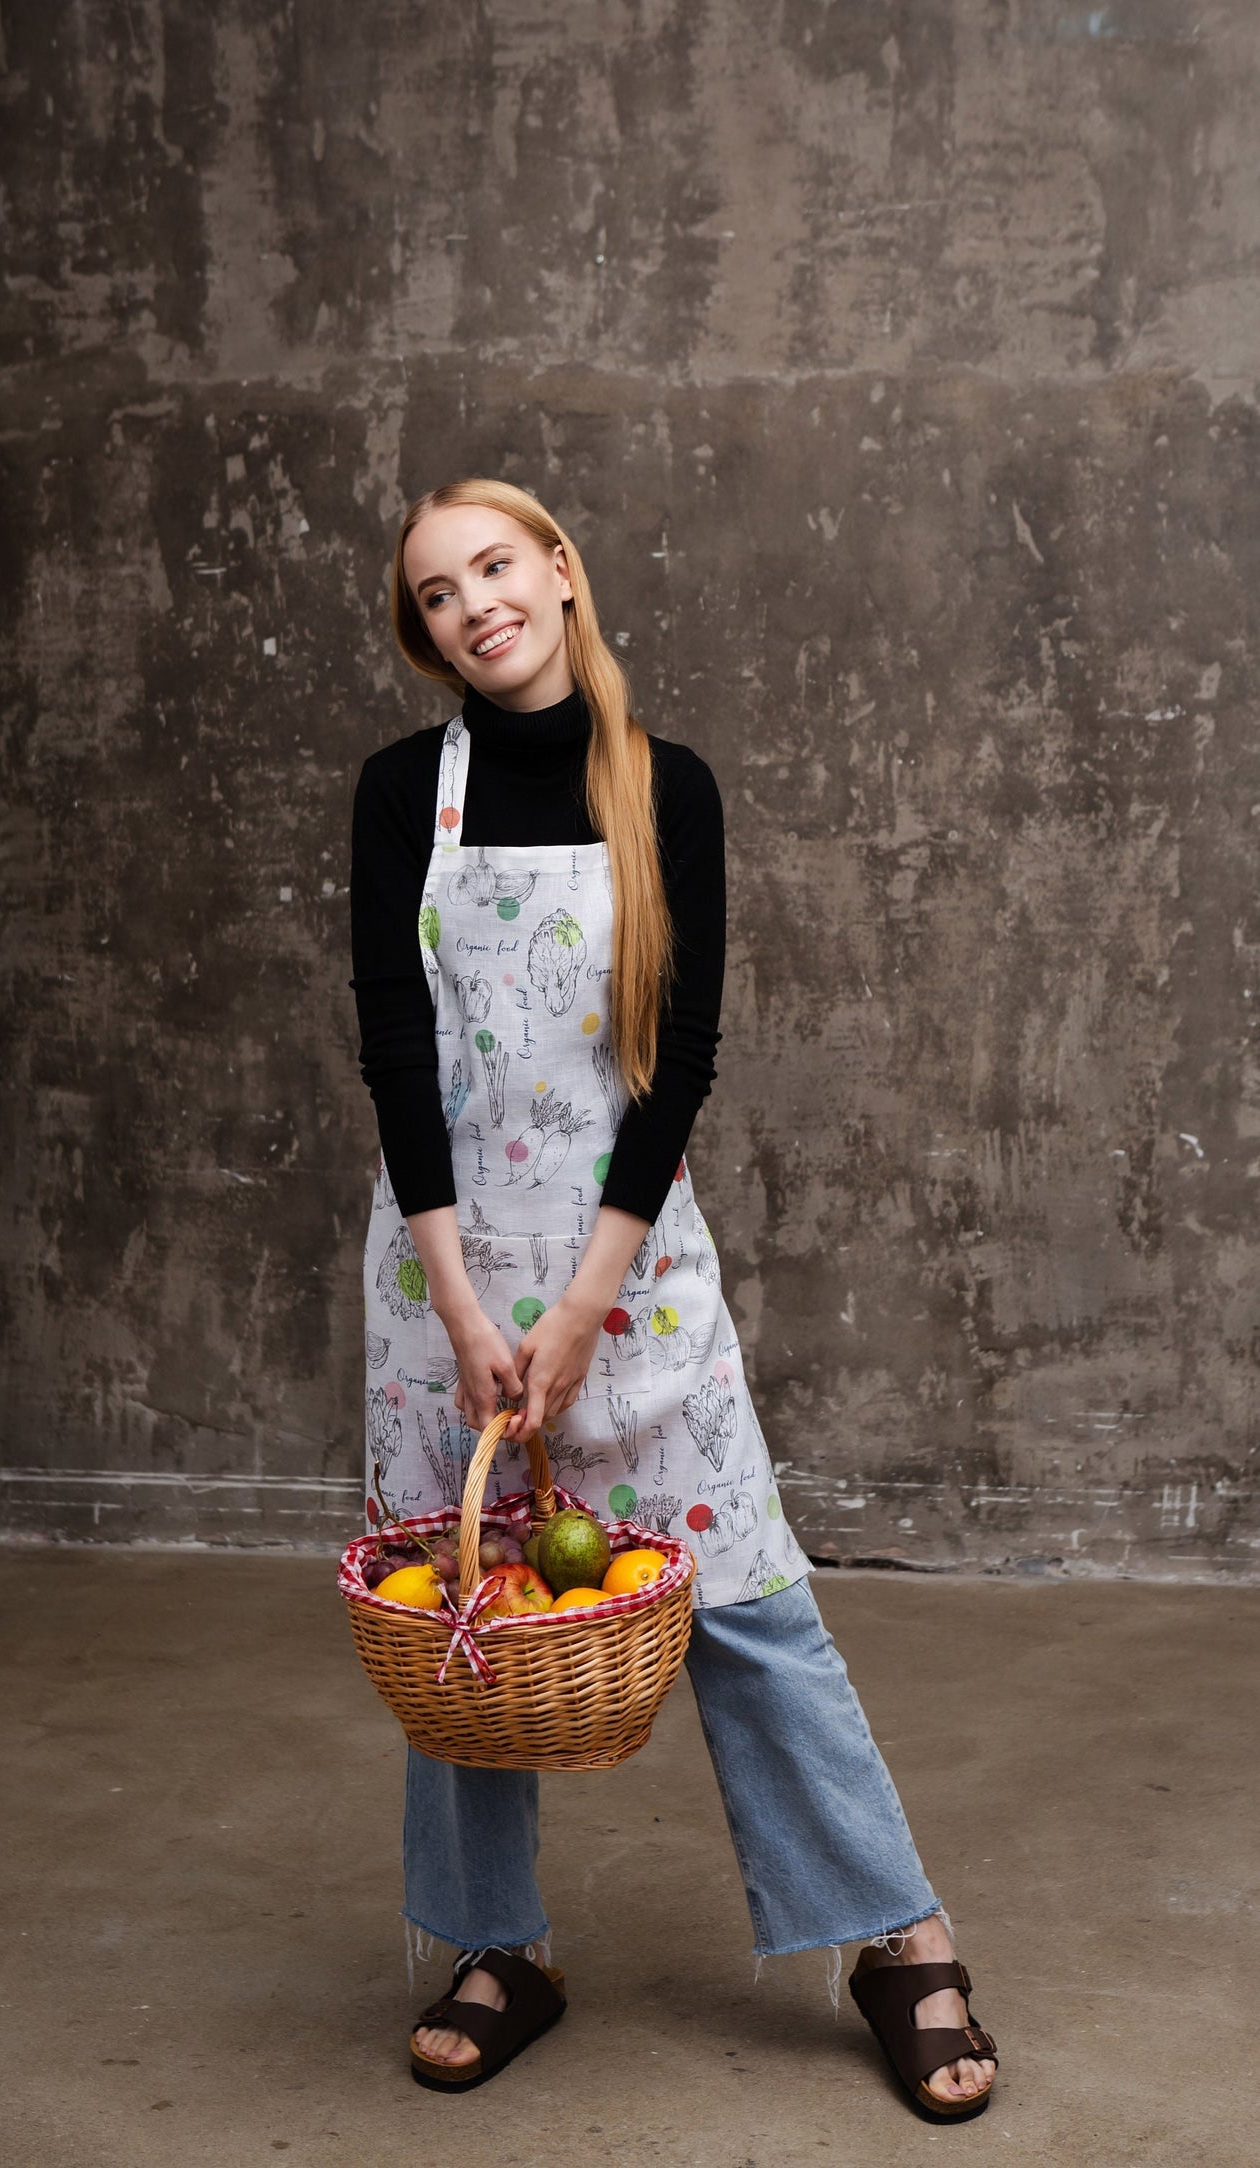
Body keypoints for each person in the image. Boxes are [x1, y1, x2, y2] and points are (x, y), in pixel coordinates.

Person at [347, 477, 1000, 2121]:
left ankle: (894, 1937)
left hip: (623, 1269)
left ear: (559, 575)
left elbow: (679, 1058)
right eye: (435, 593)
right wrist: (458, 1298)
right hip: (445, 1271)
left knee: (750, 1604)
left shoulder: (666, 789)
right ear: (421, 632)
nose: (472, 605)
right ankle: (497, 1944)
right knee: (471, 1615)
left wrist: (578, 1307)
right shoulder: (392, 796)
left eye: (495, 566)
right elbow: (394, 1053)